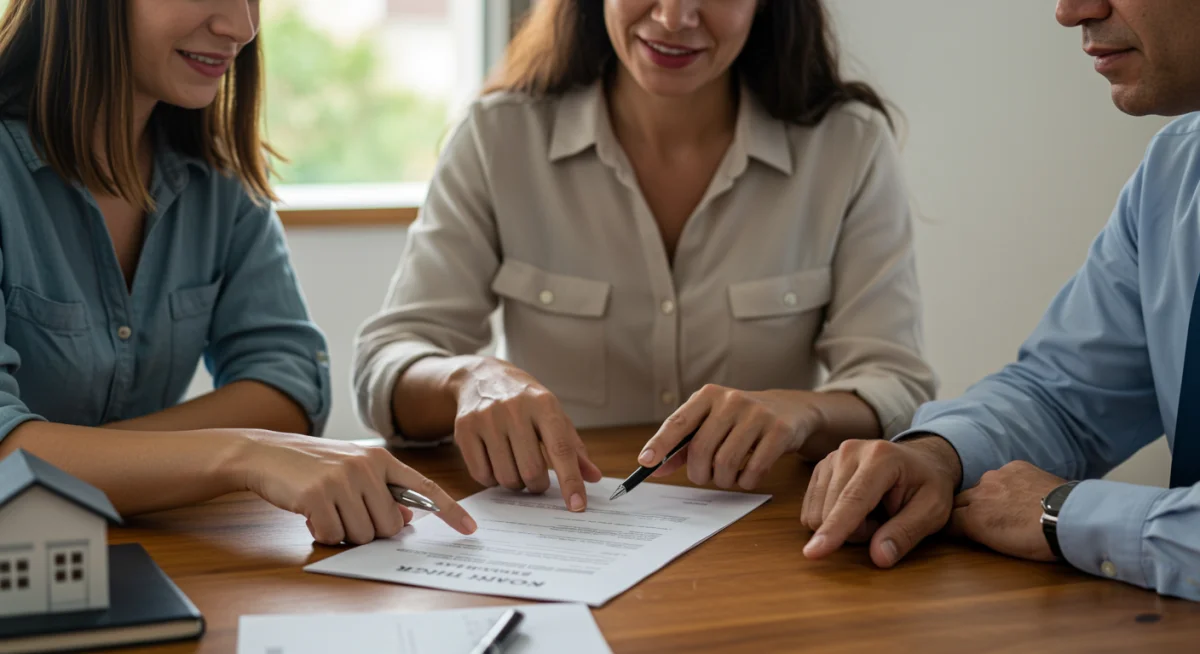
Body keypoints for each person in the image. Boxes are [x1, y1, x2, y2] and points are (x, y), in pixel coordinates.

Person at [354, 0, 937, 512]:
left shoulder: (849, 146)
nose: (673, 17)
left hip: (764, 537)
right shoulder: (497, 136)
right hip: (563, 527)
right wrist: (468, 377)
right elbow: (385, 364)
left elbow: (896, 385)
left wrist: (803, 412)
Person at [0, 0, 474, 544]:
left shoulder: (217, 175)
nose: (243, 28)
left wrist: (97, 460)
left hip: (138, 553)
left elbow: (288, 382)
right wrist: (239, 453)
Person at [801, 0, 1200, 602]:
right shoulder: (1175, 172)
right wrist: (938, 456)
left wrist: (1067, 514)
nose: (1071, 12)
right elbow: (1061, 398)